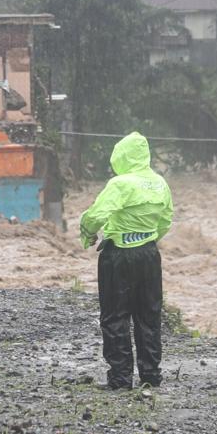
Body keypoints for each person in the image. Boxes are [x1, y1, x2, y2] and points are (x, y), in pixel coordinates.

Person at [79, 132, 174, 390]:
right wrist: (147, 239)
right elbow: (166, 220)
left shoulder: (120, 184)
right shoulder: (160, 183)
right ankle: (151, 376)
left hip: (118, 256)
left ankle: (121, 379)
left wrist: (87, 231)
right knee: (149, 316)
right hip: (149, 255)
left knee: (115, 316)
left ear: (120, 156)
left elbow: (96, 215)